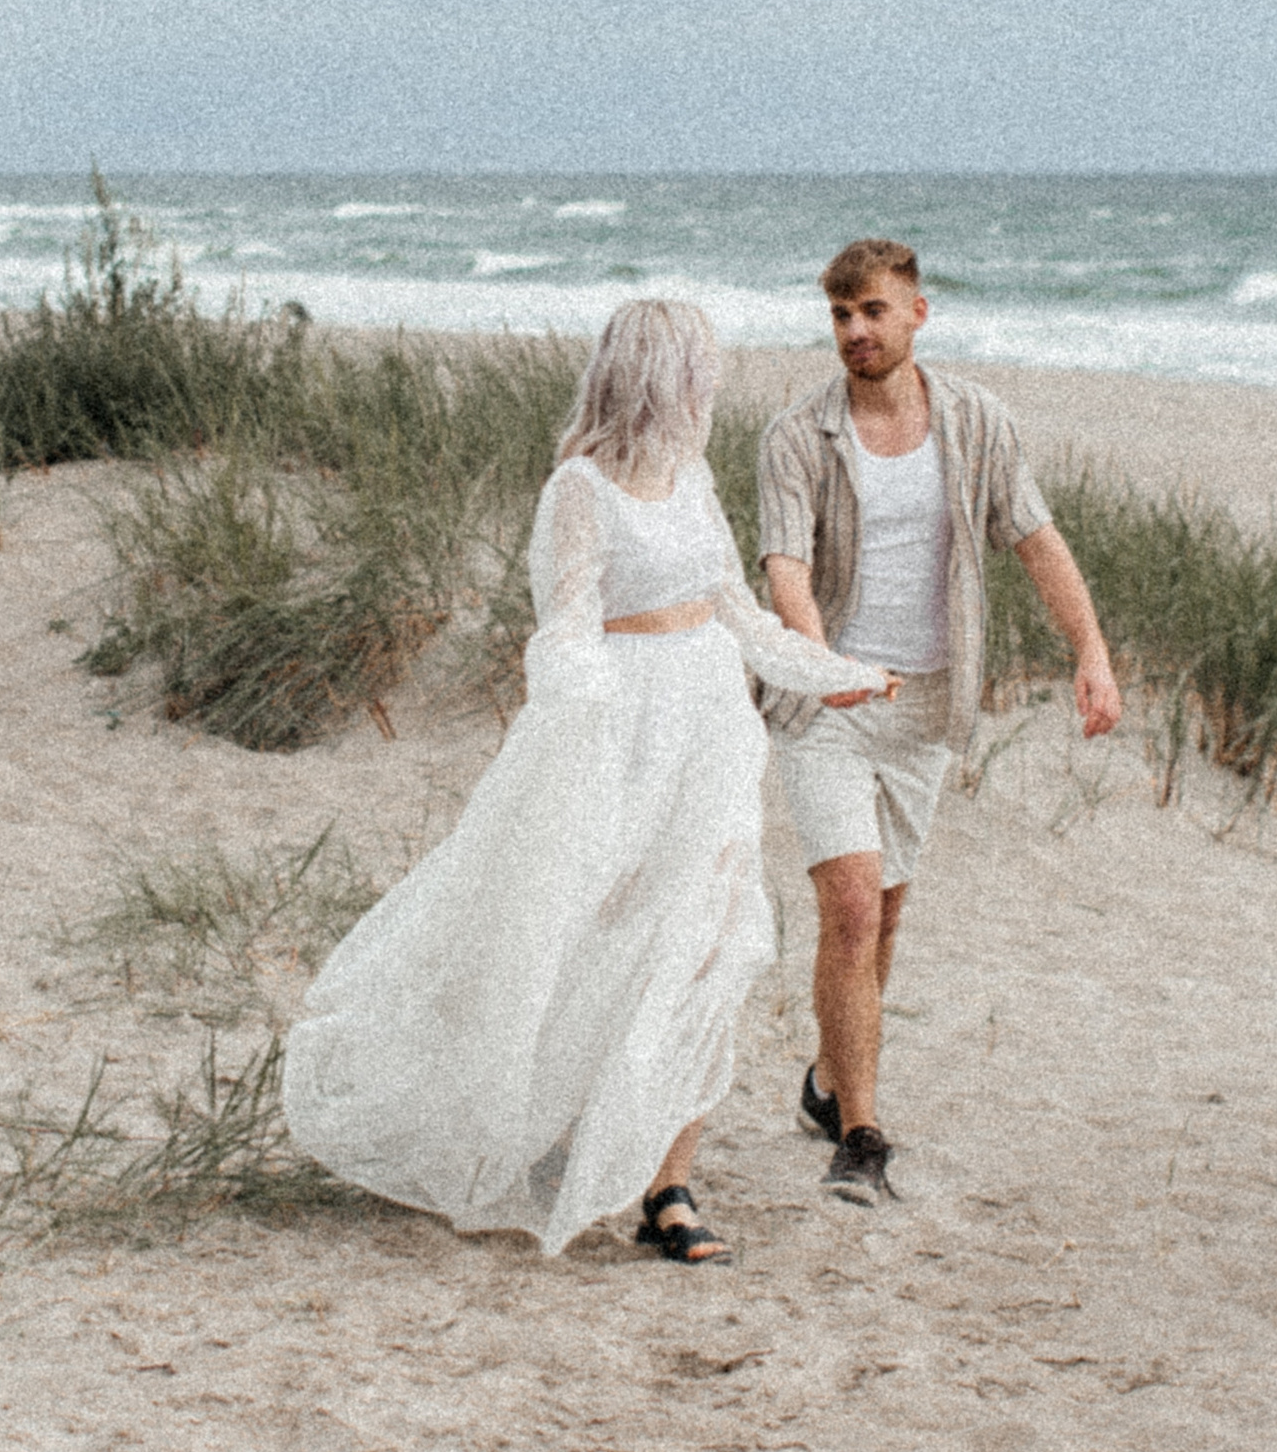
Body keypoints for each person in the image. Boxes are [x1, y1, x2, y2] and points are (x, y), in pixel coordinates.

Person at [281, 299, 892, 1265]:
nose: (712, 385)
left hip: (711, 729)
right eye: (699, 369)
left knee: (710, 944)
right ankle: (561, 1126)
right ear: (658, 377)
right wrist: (585, 711)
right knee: (593, 936)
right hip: (622, 730)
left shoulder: (693, 477)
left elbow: (739, 614)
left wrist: (835, 673)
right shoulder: (580, 488)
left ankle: (670, 1186)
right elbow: (565, 625)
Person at [757, 237, 1121, 1207]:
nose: (855, 331)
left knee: (885, 914)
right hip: (825, 704)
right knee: (849, 908)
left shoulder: (976, 421)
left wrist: (1090, 650)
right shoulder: (796, 436)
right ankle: (861, 1137)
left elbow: (1036, 539)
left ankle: (829, 1080)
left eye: (872, 311)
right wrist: (823, 668)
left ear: (917, 312)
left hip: (925, 703)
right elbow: (786, 568)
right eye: (840, 315)